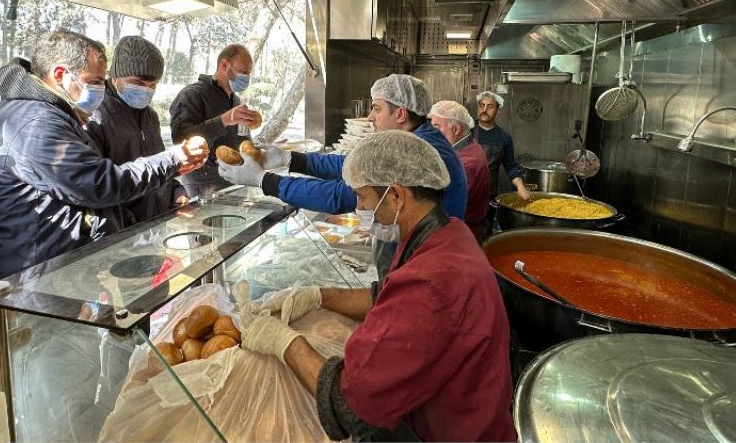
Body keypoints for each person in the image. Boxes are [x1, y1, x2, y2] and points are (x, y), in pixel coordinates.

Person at [239, 130, 517, 442]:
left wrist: (285, 343)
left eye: (361, 197)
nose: (359, 207)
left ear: (396, 195)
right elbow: (385, 294)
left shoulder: (432, 282)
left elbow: (351, 409)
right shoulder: (446, 233)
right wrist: (317, 296)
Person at [0, 29, 208, 289]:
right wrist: (173, 160)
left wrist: (173, 190)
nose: (99, 89)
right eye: (94, 80)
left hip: (51, 269)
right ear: (60, 75)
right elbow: (96, 184)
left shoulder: (56, 115)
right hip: (26, 277)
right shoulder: (34, 123)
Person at [218, 73, 467, 278]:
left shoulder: (414, 151)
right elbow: (355, 165)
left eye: (376, 108)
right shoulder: (416, 139)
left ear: (400, 114)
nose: (370, 117)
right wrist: (292, 159)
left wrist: (265, 181)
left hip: (429, 257)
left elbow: (341, 196)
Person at [86, 36, 188, 226]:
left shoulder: (150, 116)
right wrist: (129, 225)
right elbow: (97, 186)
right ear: (115, 76)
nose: (146, 90)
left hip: (154, 224)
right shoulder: (96, 116)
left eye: (152, 85)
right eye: (138, 83)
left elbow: (158, 164)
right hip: (120, 232)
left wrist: (175, 190)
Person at [169, 43, 258, 198]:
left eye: (248, 73)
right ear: (224, 65)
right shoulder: (192, 95)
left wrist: (255, 149)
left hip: (234, 183)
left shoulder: (235, 100)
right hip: (203, 187)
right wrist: (223, 120)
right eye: (242, 72)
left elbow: (241, 140)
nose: (246, 78)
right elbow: (180, 140)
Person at [429, 100, 490, 242]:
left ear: (455, 129)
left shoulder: (467, 163)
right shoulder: (466, 146)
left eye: (436, 127)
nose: (431, 133)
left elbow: (442, 210)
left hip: (462, 236)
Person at [474, 91, 530, 234]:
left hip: (489, 195)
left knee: (485, 234)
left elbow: (510, 166)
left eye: (490, 106)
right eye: (481, 106)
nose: (484, 110)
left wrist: (520, 186)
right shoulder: (467, 131)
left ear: (497, 111)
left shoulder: (504, 137)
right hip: (467, 192)